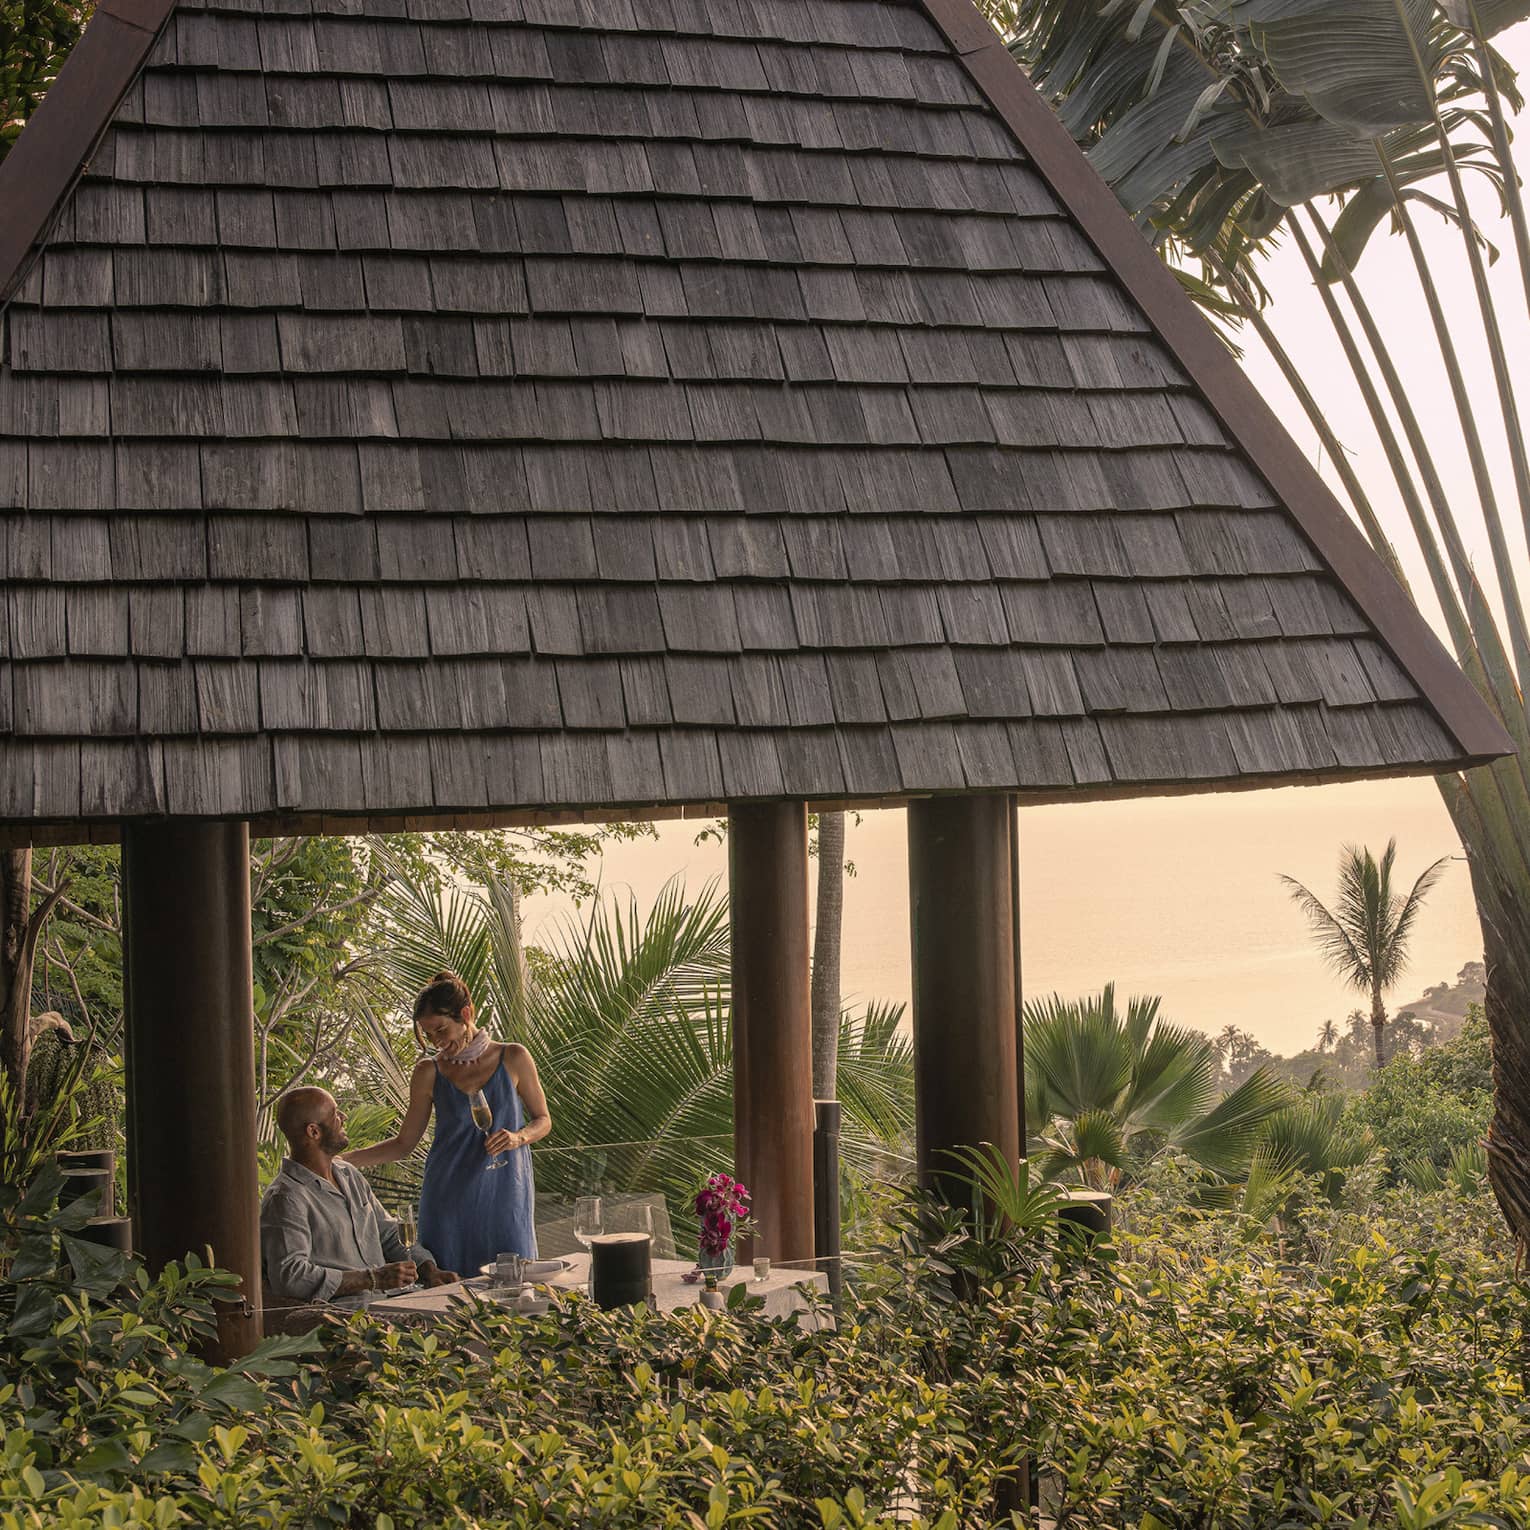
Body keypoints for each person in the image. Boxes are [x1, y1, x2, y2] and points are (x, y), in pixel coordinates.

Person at [343, 970, 551, 1276]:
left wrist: (518, 1138)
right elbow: (404, 1143)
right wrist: (339, 1162)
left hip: (506, 1197)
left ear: (465, 1014)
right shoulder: (428, 1071)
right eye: (428, 1035)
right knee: (448, 1297)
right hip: (447, 1200)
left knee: (516, 1287)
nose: (437, 1042)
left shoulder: (514, 1057)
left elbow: (543, 1121)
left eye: (441, 1030)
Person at [260, 1087, 457, 1326]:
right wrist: (370, 1279)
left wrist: (428, 1270)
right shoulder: (286, 1198)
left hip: (387, 1304)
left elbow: (388, 1232)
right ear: (313, 1131)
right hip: (345, 1321)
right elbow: (290, 1275)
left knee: (468, 1316)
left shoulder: (348, 1175)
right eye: (334, 1114)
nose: (343, 1117)